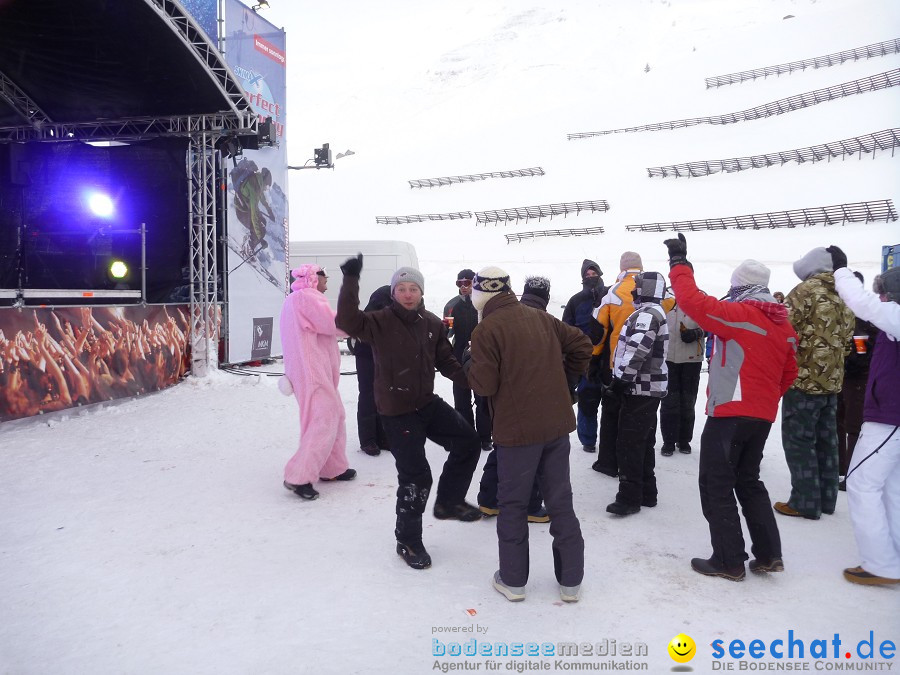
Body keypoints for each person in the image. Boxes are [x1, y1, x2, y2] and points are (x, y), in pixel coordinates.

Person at [664, 235, 799, 581]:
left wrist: (679, 263)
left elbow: (693, 302)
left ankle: (728, 560)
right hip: (761, 417)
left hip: (730, 414)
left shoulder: (740, 314)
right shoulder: (782, 323)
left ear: (739, 287)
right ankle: (769, 554)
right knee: (749, 480)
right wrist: (766, 400)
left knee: (716, 484)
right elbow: (790, 372)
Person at [335, 255, 482, 570]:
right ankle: (408, 540)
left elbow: (446, 361)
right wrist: (350, 280)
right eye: (401, 288)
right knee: (416, 476)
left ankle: (449, 501)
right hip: (396, 410)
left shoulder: (431, 323)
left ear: (421, 291)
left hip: (426, 402)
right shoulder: (379, 321)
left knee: (468, 441)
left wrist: (476, 383)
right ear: (393, 293)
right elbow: (347, 322)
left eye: (413, 287)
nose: (407, 293)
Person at [467, 266, 592, 602]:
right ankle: (570, 582)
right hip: (555, 425)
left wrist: (471, 364)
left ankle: (513, 580)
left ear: (480, 296)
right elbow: (582, 344)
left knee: (512, 505)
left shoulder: (486, 329)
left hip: (516, 431)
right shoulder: (540, 317)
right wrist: (565, 383)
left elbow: (485, 385)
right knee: (560, 503)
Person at [828, 246, 900, 586]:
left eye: (885, 293)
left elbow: (863, 304)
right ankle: (894, 557)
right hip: (890, 415)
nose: (881, 299)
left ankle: (882, 563)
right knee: (891, 488)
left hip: (890, 417)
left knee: (860, 482)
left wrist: (841, 271)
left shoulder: (896, 316)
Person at [776, 248, 855, 520]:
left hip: (803, 380)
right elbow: (847, 340)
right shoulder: (844, 292)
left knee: (799, 440)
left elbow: (782, 329)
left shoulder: (804, 291)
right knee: (827, 440)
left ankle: (804, 501)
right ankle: (826, 498)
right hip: (832, 381)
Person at [477, 276, 555, 523]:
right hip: (534, 400)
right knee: (536, 454)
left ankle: (489, 500)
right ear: (547, 297)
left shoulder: (504, 315)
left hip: (500, 398)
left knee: (502, 448)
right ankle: (531, 505)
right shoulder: (546, 321)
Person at [591, 252, 674, 476]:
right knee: (642, 424)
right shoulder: (660, 295)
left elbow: (599, 330)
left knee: (611, 415)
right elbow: (672, 302)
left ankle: (609, 462)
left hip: (617, 363)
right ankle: (642, 472)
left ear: (622, 267)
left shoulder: (612, 292)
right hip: (651, 370)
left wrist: (594, 355)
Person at [281, 265, 354, 501]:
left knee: (334, 416)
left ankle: (332, 468)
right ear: (314, 278)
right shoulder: (307, 298)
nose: (327, 283)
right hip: (313, 372)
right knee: (323, 420)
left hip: (308, 371)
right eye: (325, 277)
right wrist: (361, 322)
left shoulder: (295, 299)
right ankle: (298, 476)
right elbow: (334, 323)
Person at [604, 271, 670, 516]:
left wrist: (621, 381)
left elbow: (637, 349)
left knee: (630, 442)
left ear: (645, 290)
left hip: (640, 388)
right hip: (647, 388)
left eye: (637, 287)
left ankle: (629, 496)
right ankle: (646, 492)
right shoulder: (653, 312)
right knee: (643, 441)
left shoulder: (646, 315)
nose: (633, 291)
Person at [836, 271, 879, 489]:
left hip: (857, 377)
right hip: (843, 375)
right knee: (839, 422)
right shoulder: (844, 310)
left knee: (853, 425)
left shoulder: (864, 313)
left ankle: (851, 470)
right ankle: (840, 468)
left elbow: (862, 348)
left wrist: (853, 359)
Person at [443, 269, 492, 451]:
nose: (464, 287)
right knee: (461, 400)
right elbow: (447, 334)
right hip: (458, 360)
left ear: (475, 283)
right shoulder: (451, 305)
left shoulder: (484, 305)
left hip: (481, 359)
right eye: (460, 283)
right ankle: (467, 436)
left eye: (468, 282)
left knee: (483, 399)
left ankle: (485, 437)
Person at [562, 259, 606, 454]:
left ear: (600, 273)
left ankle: (609, 439)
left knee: (612, 403)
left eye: (593, 273)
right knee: (587, 401)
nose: (591, 277)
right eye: (587, 275)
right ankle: (588, 440)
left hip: (608, 359)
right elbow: (566, 330)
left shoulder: (610, 295)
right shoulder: (575, 300)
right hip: (585, 362)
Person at [349, 284, 392, 456]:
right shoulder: (380, 301)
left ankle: (382, 437)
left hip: (385, 357)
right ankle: (367, 440)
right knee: (368, 395)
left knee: (383, 395)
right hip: (367, 355)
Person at [660, 294, 705, 456]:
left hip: (692, 359)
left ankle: (684, 440)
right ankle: (669, 441)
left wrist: (698, 333)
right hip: (668, 358)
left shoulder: (700, 297)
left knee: (688, 401)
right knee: (669, 402)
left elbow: (711, 324)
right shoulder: (664, 299)